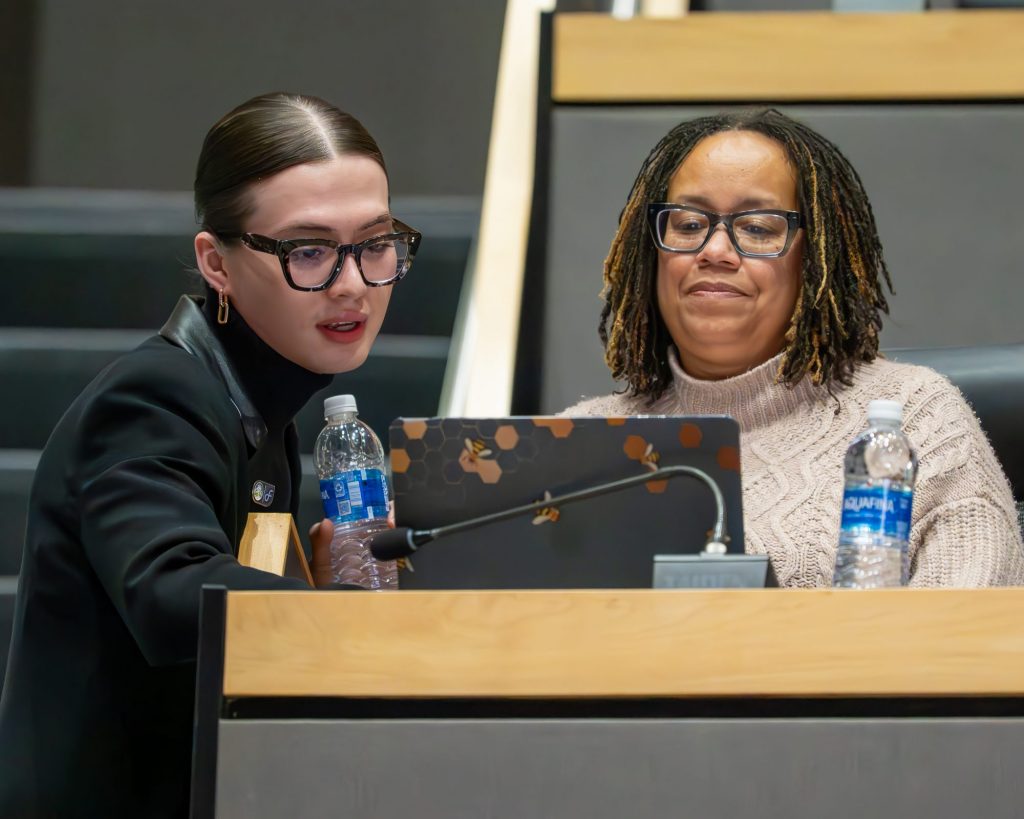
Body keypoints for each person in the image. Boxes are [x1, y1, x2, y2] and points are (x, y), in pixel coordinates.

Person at [0, 92, 421, 817]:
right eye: (309, 250)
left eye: (375, 243)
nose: (352, 282)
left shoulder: (259, 406)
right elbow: (171, 592)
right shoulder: (155, 396)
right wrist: (349, 621)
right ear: (215, 263)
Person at [564, 108, 1024, 588]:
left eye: (758, 228)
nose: (715, 250)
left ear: (816, 257)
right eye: (687, 224)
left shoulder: (915, 420)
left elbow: (962, 639)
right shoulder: (576, 444)